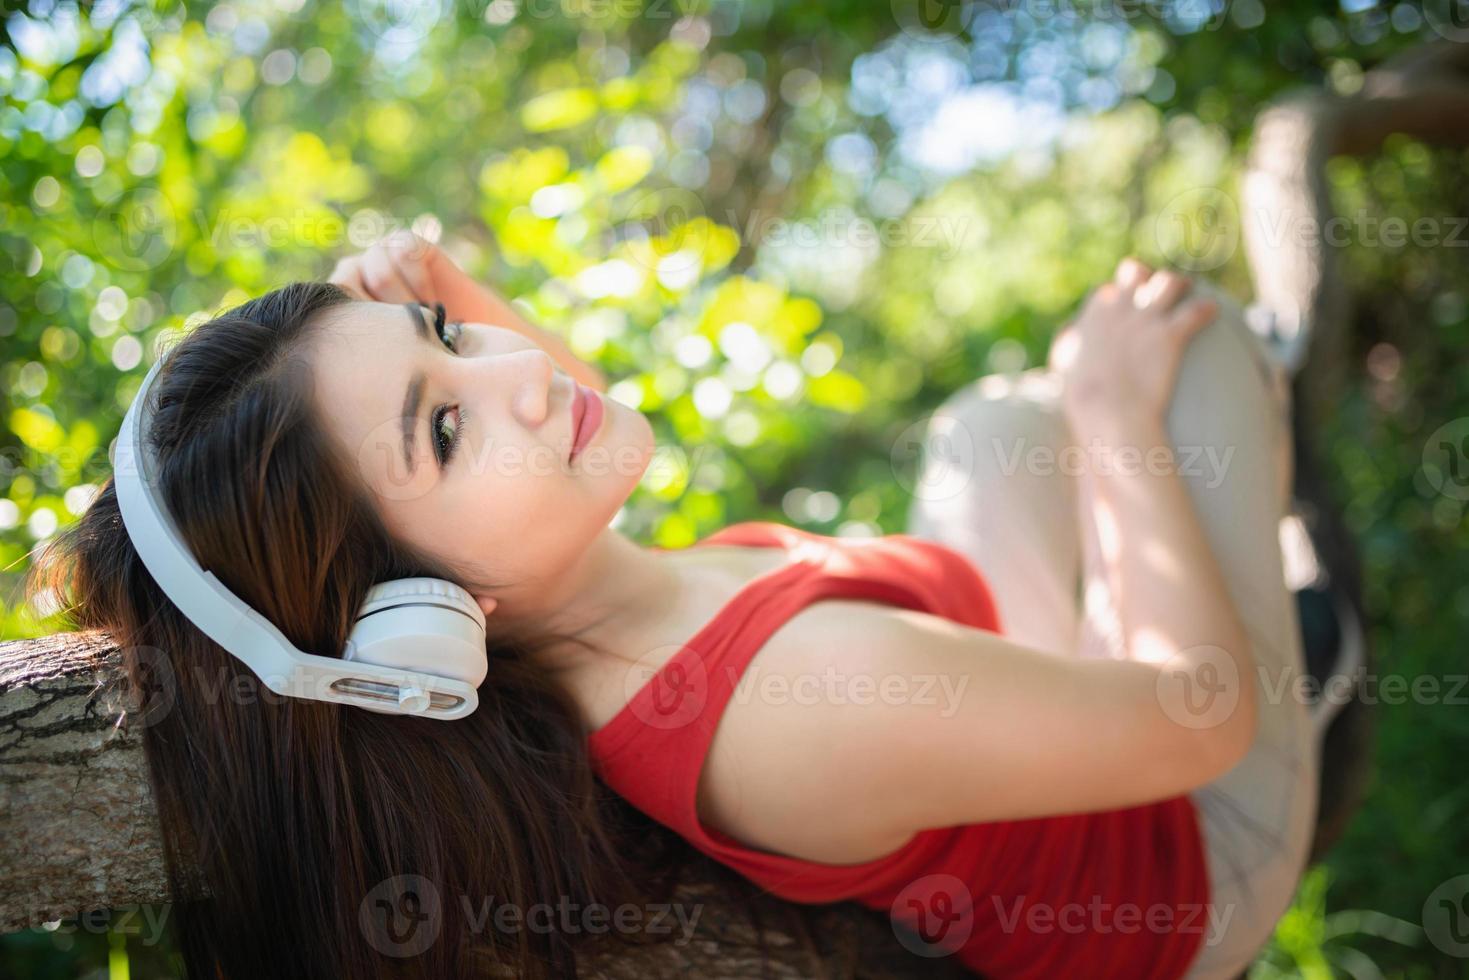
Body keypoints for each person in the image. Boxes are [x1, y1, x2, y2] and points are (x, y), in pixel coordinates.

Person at [30, 231, 1335, 979]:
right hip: (1190, 836)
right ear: (414, 613)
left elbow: (562, 416)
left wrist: (439, 297)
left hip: (1026, 681)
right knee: (1187, 344)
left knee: (993, 424)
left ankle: (1132, 574)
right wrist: (1113, 415)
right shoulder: (788, 703)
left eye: (447, 333)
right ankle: (1282, 618)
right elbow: (1198, 722)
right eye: (441, 425)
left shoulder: (590, 601)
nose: (519, 376)